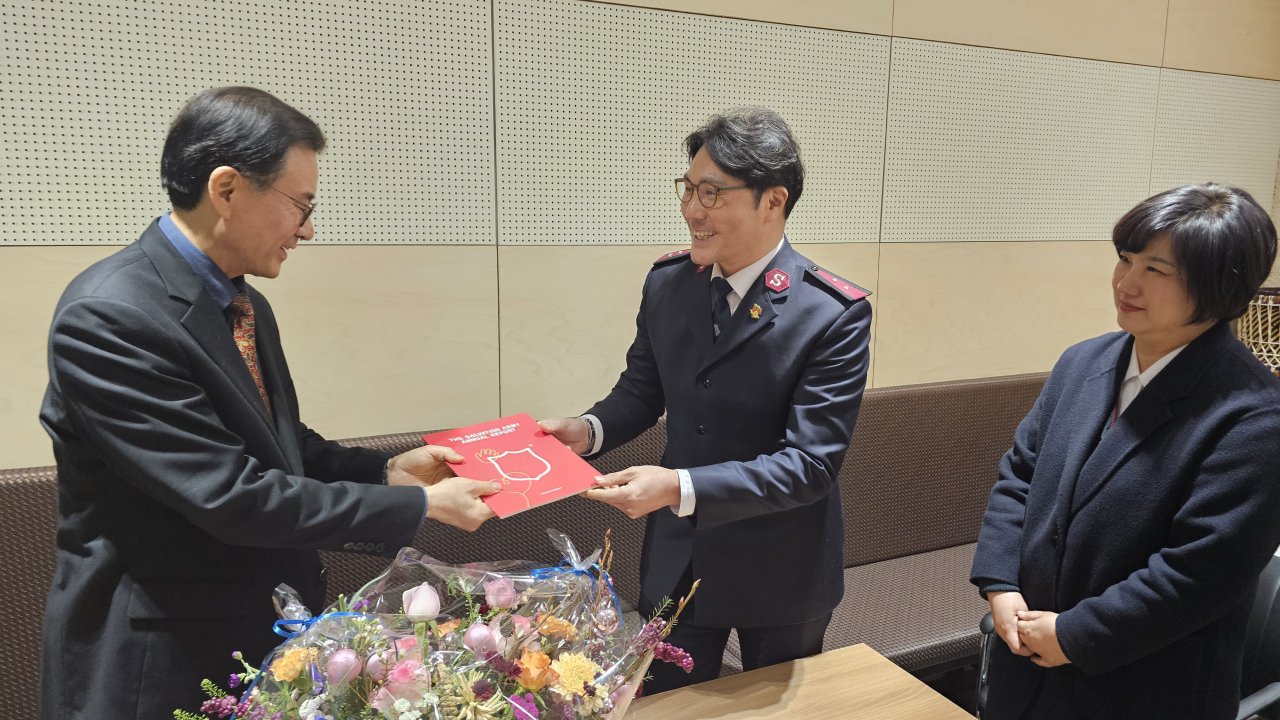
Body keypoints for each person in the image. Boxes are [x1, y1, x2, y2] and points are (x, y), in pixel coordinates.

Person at [38, 87, 501, 719]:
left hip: (260, 633)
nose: (307, 229)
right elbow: (229, 493)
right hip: (162, 655)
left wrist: (387, 471)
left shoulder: (243, 301)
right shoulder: (110, 316)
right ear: (226, 189)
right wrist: (417, 504)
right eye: (300, 206)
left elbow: (277, 444)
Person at [539, 108, 872, 692]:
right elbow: (642, 391)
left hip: (782, 566)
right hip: (678, 557)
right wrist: (586, 429)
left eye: (713, 194)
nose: (693, 210)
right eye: (689, 189)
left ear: (773, 200)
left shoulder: (832, 313)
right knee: (667, 702)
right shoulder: (668, 282)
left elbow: (810, 466)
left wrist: (677, 486)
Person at [970, 183, 1280, 719]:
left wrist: (1075, 633)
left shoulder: (1253, 415)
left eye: (1156, 271)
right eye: (1125, 259)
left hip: (1143, 684)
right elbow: (1020, 476)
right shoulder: (1082, 362)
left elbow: (1202, 571)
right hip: (1026, 666)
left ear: (1219, 287)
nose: (1125, 282)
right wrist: (1001, 586)